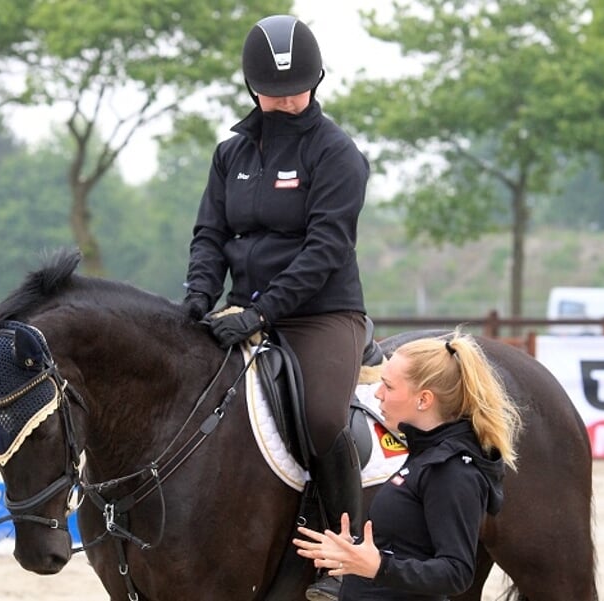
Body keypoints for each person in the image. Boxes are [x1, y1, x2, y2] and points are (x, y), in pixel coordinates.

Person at [180, 14, 370, 601]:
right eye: (272, 91)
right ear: (250, 88)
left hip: (322, 314)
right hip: (242, 310)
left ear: (316, 82)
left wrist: (261, 312)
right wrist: (195, 300)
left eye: (295, 90)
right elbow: (210, 235)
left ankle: (342, 557)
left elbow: (325, 250)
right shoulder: (230, 154)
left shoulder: (337, 153)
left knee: (319, 417)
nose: (284, 100)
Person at [292, 331, 521, 600]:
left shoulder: (451, 471)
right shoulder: (424, 454)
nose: (377, 394)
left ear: (423, 400)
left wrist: (378, 567)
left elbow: (456, 572)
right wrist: (354, 551)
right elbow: (407, 546)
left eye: (388, 387)